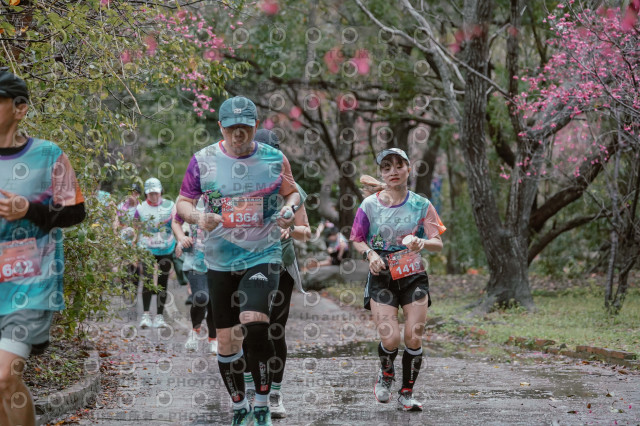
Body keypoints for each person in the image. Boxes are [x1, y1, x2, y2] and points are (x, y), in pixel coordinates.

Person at [177, 96, 299, 426]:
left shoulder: (274, 159)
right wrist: (198, 217)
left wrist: (289, 210)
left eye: (245, 127)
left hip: (263, 254)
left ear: (256, 126)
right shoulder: (202, 161)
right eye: (232, 128)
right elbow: (183, 203)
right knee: (228, 341)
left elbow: (292, 192)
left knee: (255, 321)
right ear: (221, 127)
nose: (238, 134)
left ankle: (262, 404)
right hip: (219, 261)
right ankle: (239, 406)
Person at [0, 70, 86, 426]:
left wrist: (28, 209)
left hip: (30, 286)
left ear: (20, 109)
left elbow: (76, 212)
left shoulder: (48, 155)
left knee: (3, 377)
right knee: (5, 387)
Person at [350, 147, 446, 412]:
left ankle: (406, 393)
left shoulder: (421, 204)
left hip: (413, 274)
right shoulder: (369, 205)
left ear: (408, 169)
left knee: (414, 336)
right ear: (382, 173)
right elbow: (356, 239)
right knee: (391, 339)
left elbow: (438, 242)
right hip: (381, 274)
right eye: (386, 167)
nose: (393, 171)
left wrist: (422, 242)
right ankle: (386, 373)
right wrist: (370, 254)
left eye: (398, 165)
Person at [242, 129, 311, 419]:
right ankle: (250, 389)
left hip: (280, 266)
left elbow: (306, 232)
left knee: (275, 329)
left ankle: (275, 394)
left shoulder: (292, 190)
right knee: (248, 327)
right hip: (245, 264)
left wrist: (289, 229)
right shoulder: (239, 185)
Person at [172, 198, 218, 354]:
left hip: (219, 263)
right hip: (195, 263)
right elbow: (176, 222)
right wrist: (181, 239)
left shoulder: (222, 199)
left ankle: (213, 339)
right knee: (201, 297)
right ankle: (194, 331)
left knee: (214, 303)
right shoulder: (190, 201)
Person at [135, 177, 176, 329]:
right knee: (147, 279)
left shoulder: (170, 206)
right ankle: (146, 315)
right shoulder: (140, 208)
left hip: (166, 248)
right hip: (146, 248)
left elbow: (176, 224)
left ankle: (159, 316)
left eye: (156, 193)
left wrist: (179, 243)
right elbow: (136, 228)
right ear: (146, 193)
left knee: (163, 281)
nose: (153, 196)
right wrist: (133, 250)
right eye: (150, 193)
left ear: (161, 192)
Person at [115, 183, 142, 297]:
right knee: (124, 264)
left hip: (137, 240)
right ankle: (125, 289)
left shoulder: (141, 207)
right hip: (123, 240)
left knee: (135, 264)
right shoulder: (121, 206)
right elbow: (116, 221)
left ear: (138, 194)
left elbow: (141, 225)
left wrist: (135, 238)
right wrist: (117, 233)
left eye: (135, 193)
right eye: (130, 192)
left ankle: (134, 289)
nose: (132, 195)